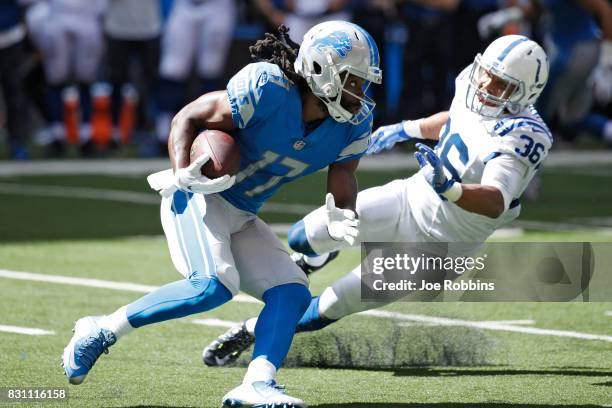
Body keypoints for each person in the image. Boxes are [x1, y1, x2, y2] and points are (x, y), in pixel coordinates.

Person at [61, 21, 382, 407]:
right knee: (212, 286)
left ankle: (257, 384)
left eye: (363, 84)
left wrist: (340, 213)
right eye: (353, 81)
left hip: (243, 211)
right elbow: (188, 118)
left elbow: (344, 172)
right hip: (197, 195)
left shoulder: (353, 124)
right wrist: (182, 172)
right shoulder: (268, 89)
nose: (359, 94)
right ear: (321, 70)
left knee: (292, 293)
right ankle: (101, 329)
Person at [203, 34, 553, 367]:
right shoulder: (472, 83)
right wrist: (406, 129)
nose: (486, 88)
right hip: (410, 197)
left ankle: (249, 331)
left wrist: (452, 190)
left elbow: (496, 200)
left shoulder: (525, 136)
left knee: (331, 304)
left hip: (443, 246)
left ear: (527, 94)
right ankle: (318, 255)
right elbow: (461, 121)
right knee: (301, 236)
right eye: (487, 75)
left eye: (501, 85)